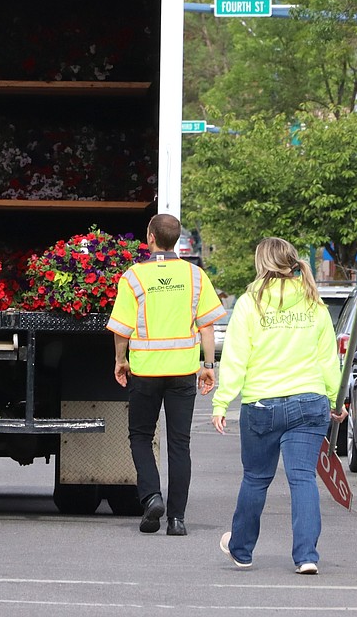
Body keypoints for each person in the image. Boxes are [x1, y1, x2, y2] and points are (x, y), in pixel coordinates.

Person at [212, 237, 344, 575]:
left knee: (256, 478)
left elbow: (236, 356)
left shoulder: (249, 303)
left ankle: (241, 550)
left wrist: (222, 400)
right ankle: (307, 556)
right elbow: (329, 358)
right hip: (309, 400)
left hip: (262, 402)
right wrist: (335, 399)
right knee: (302, 478)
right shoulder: (314, 303)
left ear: (262, 264)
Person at [106, 213, 225, 537]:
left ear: (151, 238)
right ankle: (177, 519)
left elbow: (122, 328)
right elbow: (207, 327)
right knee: (179, 444)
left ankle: (152, 497)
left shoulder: (133, 277)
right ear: (176, 239)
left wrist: (121, 360)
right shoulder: (195, 275)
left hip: (145, 371)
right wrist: (208, 366)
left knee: (141, 437)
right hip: (184, 372)